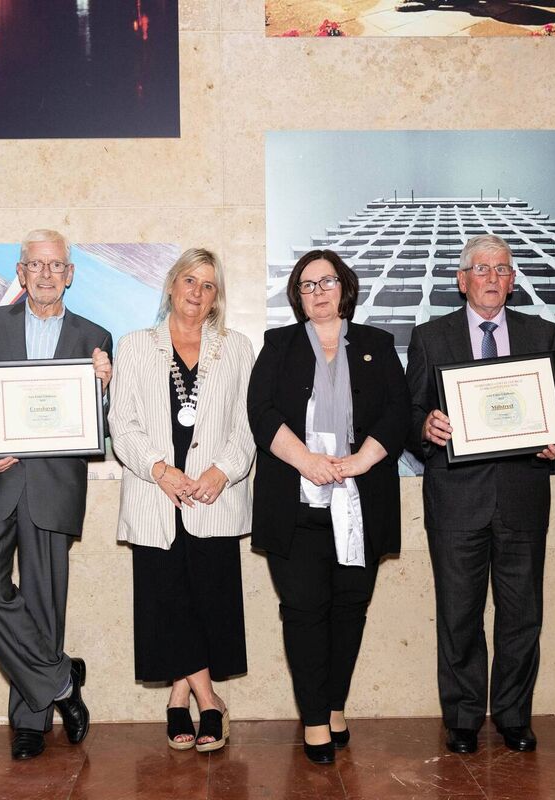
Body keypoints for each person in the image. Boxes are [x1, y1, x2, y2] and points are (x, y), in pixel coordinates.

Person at [0, 229, 112, 760]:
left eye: (55, 265)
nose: (44, 274)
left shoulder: (95, 336)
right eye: (34, 265)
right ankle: (61, 680)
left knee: (44, 606)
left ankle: (30, 722)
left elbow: (99, 429)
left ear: (69, 274)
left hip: (54, 489)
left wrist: (101, 389)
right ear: (20, 273)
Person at [406, 234, 555, 755]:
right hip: (455, 500)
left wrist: (554, 439)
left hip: (522, 494)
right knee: (459, 613)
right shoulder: (430, 337)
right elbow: (409, 414)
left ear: (513, 280)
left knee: (523, 614)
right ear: (462, 280)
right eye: (481, 269)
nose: (492, 278)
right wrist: (424, 425)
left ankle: (514, 715)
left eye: (502, 269)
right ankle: (462, 717)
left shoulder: (541, 332)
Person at [248, 249, 409, 765]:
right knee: (303, 612)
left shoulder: (377, 345)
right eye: (307, 285)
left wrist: (361, 460)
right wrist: (306, 460)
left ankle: (336, 703)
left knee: (349, 610)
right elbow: (261, 411)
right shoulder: (279, 345)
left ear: (345, 288)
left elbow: (397, 412)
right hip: (297, 504)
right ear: (297, 296)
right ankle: (314, 717)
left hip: (360, 502)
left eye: (327, 282)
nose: (318, 292)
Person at [109, 248, 256, 753]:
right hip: (156, 495)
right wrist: (159, 470)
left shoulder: (236, 348)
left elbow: (247, 424)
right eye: (189, 281)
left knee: (206, 603)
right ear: (172, 285)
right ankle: (209, 701)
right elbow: (121, 424)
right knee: (167, 600)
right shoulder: (134, 346)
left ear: (217, 298)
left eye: (208, 285)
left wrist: (223, 470)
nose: (197, 292)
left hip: (212, 496)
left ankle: (178, 696)